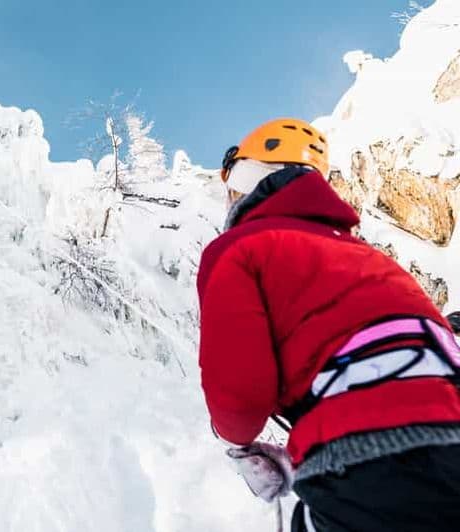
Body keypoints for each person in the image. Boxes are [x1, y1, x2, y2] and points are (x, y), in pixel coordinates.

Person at [196, 118, 460, 532]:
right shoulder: (372, 259)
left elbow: (240, 396)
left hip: (367, 465)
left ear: (247, 182)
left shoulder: (240, 250)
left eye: (230, 189)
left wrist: (236, 439)